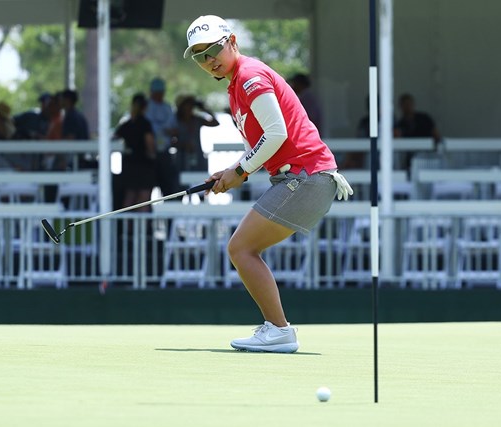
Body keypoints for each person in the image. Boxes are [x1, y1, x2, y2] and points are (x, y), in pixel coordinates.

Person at [182, 15, 353, 353]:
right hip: (303, 176)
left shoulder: (248, 77)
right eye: (200, 56)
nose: (209, 60)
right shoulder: (236, 84)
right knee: (243, 248)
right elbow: (263, 142)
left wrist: (240, 172)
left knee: (240, 248)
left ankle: (279, 330)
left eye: (213, 49)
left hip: (306, 177)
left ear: (232, 41)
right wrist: (231, 170)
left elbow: (277, 134)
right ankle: (277, 329)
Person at [114, 93, 156, 211]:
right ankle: (142, 229)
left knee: (129, 198)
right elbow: (150, 145)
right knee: (144, 199)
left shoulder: (126, 124)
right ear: (145, 107)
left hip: (129, 165)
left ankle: (127, 229)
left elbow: (114, 138)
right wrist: (153, 155)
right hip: (144, 165)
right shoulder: (145, 123)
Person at [145, 77, 180, 195]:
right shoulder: (147, 107)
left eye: (161, 93)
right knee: (148, 185)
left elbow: (174, 128)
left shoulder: (167, 107)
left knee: (167, 185)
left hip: (165, 151)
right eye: (157, 93)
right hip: (149, 153)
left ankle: (167, 211)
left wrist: (170, 132)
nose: (159, 95)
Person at [393, 93, 441, 171]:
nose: (407, 107)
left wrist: (436, 150)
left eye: (409, 104)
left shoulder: (424, 118)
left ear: (413, 104)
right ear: (400, 106)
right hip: (410, 159)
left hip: (428, 155)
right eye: (404, 104)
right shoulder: (400, 124)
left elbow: (436, 134)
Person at [172, 94, 219, 172]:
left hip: (198, 157)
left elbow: (215, 123)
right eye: (187, 104)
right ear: (181, 107)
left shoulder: (197, 120)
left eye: (191, 104)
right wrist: (183, 145)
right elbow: (170, 141)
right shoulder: (176, 121)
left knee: (199, 181)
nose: (190, 107)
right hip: (182, 159)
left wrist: (204, 108)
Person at [60, 88, 92, 169]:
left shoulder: (71, 116)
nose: (60, 101)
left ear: (67, 100)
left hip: (75, 160)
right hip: (80, 157)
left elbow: (70, 138)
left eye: (62, 98)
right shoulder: (78, 115)